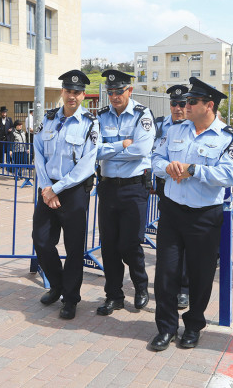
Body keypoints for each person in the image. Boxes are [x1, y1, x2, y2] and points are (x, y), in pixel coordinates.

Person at [150, 77, 233, 351]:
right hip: (172, 212)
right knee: (165, 274)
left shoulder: (228, 137)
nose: (185, 106)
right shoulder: (175, 130)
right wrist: (167, 168)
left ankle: (193, 326)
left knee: (201, 276)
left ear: (209, 105)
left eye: (192, 101)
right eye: (185, 101)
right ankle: (166, 328)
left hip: (204, 216)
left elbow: (228, 175)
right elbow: (156, 159)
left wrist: (193, 170)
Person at [32, 70, 99, 320]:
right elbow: (38, 152)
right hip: (47, 189)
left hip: (73, 192)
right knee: (41, 241)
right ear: (62, 92)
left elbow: (87, 164)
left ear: (83, 95)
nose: (72, 96)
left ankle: (70, 299)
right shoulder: (48, 120)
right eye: (68, 91)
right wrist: (46, 187)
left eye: (77, 92)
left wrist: (56, 189)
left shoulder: (90, 124)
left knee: (73, 249)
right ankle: (57, 286)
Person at [95, 69, 155, 316]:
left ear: (129, 90)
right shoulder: (101, 116)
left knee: (130, 244)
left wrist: (108, 151)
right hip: (108, 187)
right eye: (110, 92)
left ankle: (141, 287)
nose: (114, 96)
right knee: (109, 246)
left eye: (119, 91)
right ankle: (114, 296)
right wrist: (121, 146)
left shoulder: (142, 115)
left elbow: (141, 150)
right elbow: (94, 150)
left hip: (134, 188)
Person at [155, 84, 189, 310]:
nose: (178, 108)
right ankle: (168, 287)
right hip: (165, 187)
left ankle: (184, 288)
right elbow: (155, 154)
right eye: (174, 104)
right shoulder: (160, 125)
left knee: (186, 242)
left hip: (187, 187)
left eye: (182, 104)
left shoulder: (194, 126)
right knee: (169, 242)